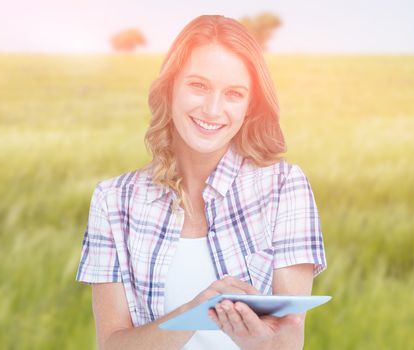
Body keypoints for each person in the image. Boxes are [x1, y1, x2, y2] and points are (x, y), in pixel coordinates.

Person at [75, 15, 327, 350]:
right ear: (170, 87)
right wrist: (195, 311)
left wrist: (254, 339)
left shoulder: (284, 188)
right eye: (199, 86)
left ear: (250, 105)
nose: (212, 109)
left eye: (234, 94)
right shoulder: (114, 202)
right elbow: (110, 345)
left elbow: (289, 342)